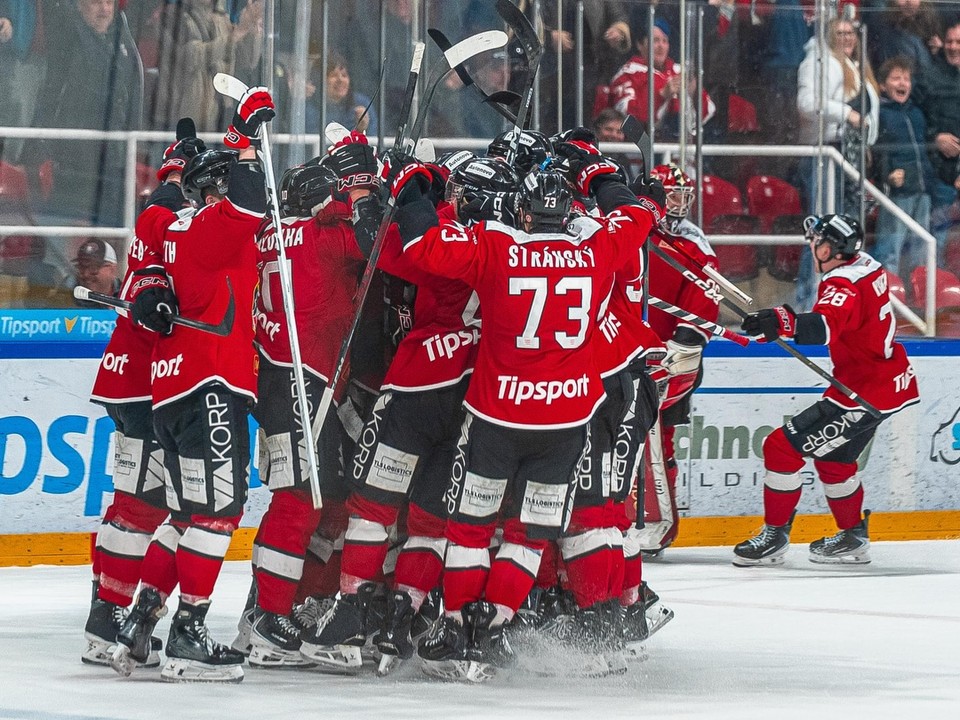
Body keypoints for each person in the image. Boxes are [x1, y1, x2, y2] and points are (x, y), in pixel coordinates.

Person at [389, 143, 665, 682]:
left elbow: (422, 244)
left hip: (498, 416)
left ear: (521, 212)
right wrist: (600, 174)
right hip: (566, 423)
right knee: (528, 535)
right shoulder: (594, 252)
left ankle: (457, 628)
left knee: (471, 529)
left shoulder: (497, 246)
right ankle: (496, 625)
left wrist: (410, 188)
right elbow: (635, 214)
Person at [299, 155, 516, 675]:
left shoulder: (450, 239)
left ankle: (351, 613)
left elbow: (385, 249)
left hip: (418, 384)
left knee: (372, 505)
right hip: (476, 394)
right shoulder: (519, 245)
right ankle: (404, 618)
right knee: (430, 518)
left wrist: (379, 195)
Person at [111, 87, 275, 683]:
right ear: (215, 188)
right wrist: (245, 135)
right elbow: (253, 201)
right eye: (226, 181)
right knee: (218, 514)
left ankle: (140, 619)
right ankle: (188, 635)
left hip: (174, 390)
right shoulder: (211, 227)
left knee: (185, 515)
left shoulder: (177, 228)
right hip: (210, 385)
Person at [240, 138, 381, 669]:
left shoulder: (265, 235)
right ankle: (268, 618)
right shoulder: (325, 237)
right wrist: (363, 184)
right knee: (299, 500)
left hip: (281, 379)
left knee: (319, 499)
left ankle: (276, 606)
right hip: (306, 379)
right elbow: (377, 239)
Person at [733, 214, 920, 568]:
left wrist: (780, 322)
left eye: (817, 242)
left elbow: (823, 326)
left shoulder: (842, 283)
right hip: (887, 383)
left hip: (862, 394)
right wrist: (780, 318)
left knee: (780, 449)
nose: (813, 247)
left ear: (831, 248)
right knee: (836, 462)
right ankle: (852, 537)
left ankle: (774, 536)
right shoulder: (867, 266)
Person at [83, 132, 202, 668]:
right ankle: (108, 619)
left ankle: (104, 615)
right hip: (145, 381)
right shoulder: (175, 213)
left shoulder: (163, 205)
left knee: (135, 499)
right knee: (143, 503)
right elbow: (155, 287)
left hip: (130, 376)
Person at [639, 163, 720, 555]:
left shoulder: (696, 244)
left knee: (661, 440)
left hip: (672, 361)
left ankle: (660, 523)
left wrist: (682, 344)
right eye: (671, 194)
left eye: (683, 195)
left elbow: (706, 301)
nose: (679, 203)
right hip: (629, 353)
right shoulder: (636, 231)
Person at [23, 0, 142, 227]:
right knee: (69, 234)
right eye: (97, 2)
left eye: (109, 2)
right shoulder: (66, 35)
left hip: (115, 158)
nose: (105, 10)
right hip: (73, 162)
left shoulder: (123, 41)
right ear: (78, 5)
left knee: (114, 232)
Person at [795, 17, 880, 310]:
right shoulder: (820, 61)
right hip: (826, 154)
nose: (847, 38)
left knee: (842, 233)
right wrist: (846, 114)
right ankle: (807, 302)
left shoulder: (853, 65)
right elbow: (807, 103)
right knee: (822, 231)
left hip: (848, 154)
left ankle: (836, 301)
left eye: (850, 33)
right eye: (840, 33)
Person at [150, 0, 263, 132]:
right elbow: (190, 58)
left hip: (218, 120)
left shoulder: (222, 18)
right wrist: (237, 34)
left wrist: (251, 30)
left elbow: (246, 61)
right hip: (180, 121)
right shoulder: (171, 16)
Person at [872, 56, 938, 277]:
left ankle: (918, 304)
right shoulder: (880, 114)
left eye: (906, 79)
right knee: (890, 250)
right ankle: (886, 300)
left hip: (922, 189)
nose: (902, 83)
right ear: (882, 85)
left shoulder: (916, 113)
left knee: (920, 252)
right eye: (896, 78)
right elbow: (876, 153)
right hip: (898, 194)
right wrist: (887, 177)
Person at [609, 18, 715, 142]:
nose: (661, 46)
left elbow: (708, 112)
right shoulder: (626, 74)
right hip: (641, 154)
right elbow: (627, 118)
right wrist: (662, 95)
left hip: (679, 152)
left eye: (665, 41)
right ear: (640, 44)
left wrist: (695, 93)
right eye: (655, 40)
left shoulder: (679, 71)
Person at [914, 18, 960, 260]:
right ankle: (931, 291)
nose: (953, 47)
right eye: (950, 41)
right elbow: (912, 118)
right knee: (936, 239)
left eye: (958, 42)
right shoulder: (929, 76)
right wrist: (935, 138)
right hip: (940, 172)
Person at [305, 51, 379, 137]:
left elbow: (373, 141)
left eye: (344, 75)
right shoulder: (307, 107)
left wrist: (361, 130)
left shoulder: (362, 103)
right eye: (333, 75)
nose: (340, 80)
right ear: (319, 80)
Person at [72, 238, 119, 306]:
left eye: (93, 268)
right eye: (81, 267)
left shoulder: (128, 296)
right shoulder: (68, 298)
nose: (86, 274)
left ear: (112, 269)